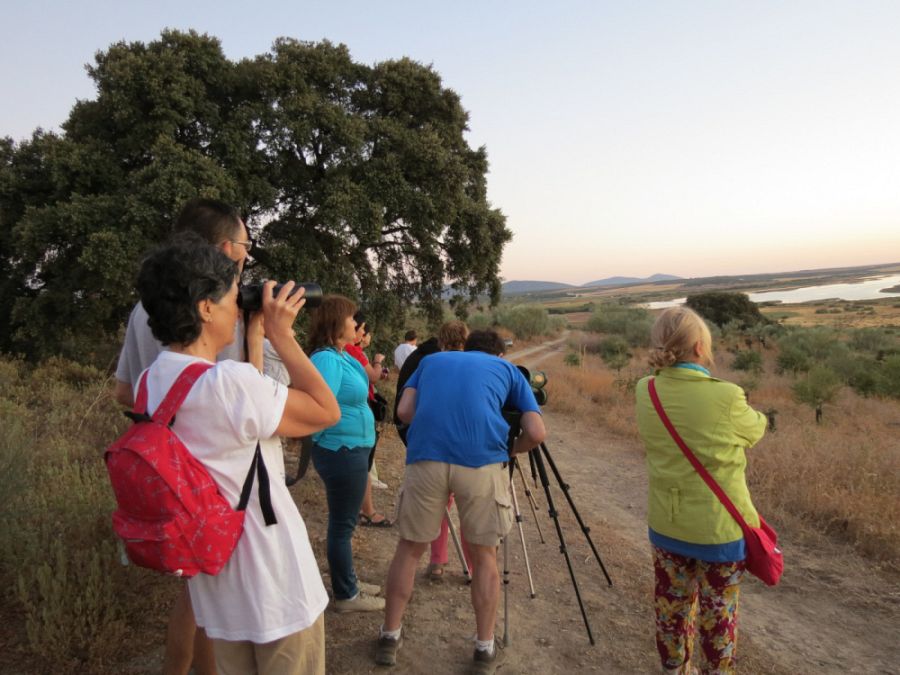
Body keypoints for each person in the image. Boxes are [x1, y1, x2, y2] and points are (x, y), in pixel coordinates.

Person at [135, 239, 339, 675]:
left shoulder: (150, 385)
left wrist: (255, 336)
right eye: (232, 295)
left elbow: (243, 425)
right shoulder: (231, 384)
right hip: (275, 581)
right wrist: (281, 335)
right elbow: (326, 410)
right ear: (205, 308)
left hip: (217, 585)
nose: (236, 304)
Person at [113, 198, 252, 675]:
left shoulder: (144, 307)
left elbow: (124, 391)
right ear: (222, 248)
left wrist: (164, 420)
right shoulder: (220, 307)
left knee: (198, 590)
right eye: (244, 247)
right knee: (213, 591)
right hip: (216, 471)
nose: (246, 259)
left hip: (165, 468)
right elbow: (250, 396)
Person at [376, 329, 546, 674]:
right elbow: (537, 432)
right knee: (484, 556)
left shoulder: (431, 360)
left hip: (426, 459)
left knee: (409, 549)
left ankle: (389, 636)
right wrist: (511, 449)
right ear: (499, 355)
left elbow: (405, 411)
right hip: (481, 463)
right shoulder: (508, 371)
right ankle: (484, 648)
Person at [634, 307, 767, 674]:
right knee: (718, 615)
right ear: (698, 346)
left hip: (666, 524)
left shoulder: (645, 390)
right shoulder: (726, 396)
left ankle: (675, 669)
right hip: (718, 530)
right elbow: (755, 430)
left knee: (670, 609)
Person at [308, 296, 386, 613]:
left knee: (347, 522)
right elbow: (317, 405)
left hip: (352, 448)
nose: (356, 324)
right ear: (338, 322)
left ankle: (348, 579)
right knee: (342, 525)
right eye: (352, 319)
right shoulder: (326, 359)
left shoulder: (342, 355)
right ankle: (346, 594)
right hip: (341, 450)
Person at [344, 312, 391, 527]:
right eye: (361, 329)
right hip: (361, 410)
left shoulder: (334, 351)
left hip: (347, 412)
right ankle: (367, 511)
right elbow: (372, 376)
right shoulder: (353, 351)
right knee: (364, 462)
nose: (363, 333)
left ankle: (355, 508)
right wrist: (377, 362)